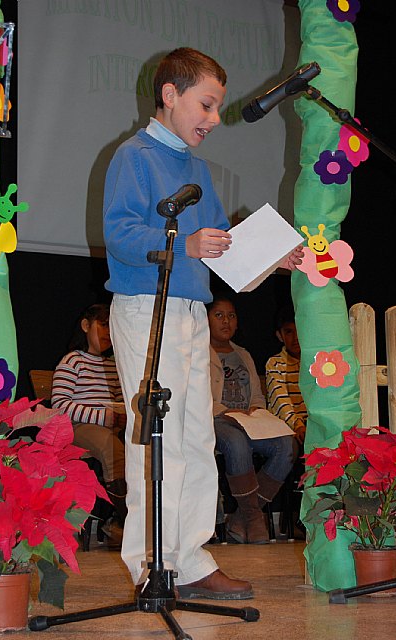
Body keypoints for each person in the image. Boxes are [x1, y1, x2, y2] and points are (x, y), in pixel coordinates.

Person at [103, 47, 302, 600]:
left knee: (194, 437)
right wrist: (182, 242)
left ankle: (189, 559)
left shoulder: (195, 168)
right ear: (170, 95)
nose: (214, 119)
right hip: (147, 307)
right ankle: (152, 567)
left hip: (190, 311)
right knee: (157, 440)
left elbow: (222, 245)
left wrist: (269, 256)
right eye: (206, 105)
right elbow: (119, 233)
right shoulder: (134, 156)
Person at [208, 295, 294, 544]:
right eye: (219, 315)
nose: (227, 321)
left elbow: (256, 394)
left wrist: (256, 410)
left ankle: (241, 517)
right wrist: (226, 412)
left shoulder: (243, 354)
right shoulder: (196, 352)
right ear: (206, 319)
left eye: (231, 316)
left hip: (248, 421)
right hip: (216, 419)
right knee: (236, 443)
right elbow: (195, 396)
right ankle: (254, 517)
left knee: (286, 445)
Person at [51, 303, 127, 546]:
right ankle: (123, 519)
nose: (107, 332)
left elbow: (117, 403)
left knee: (141, 446)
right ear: (86, 326)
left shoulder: (113, 365)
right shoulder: (73, 361)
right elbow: (60, 406)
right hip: (77, 429)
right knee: (110, 446)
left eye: (111, 326)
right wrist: (103, 417)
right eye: (103, 325)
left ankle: (122, 519)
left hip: (110, 428)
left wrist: (122, 414)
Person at [265, 304, 307, 462]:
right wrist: (297, 424)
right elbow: (281, 400)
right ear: (280, 335)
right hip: (286, 426)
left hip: (310, 426)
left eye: (299, 330)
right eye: (289, 332)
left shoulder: (316, 362)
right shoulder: (274, 363)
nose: (296, 337)